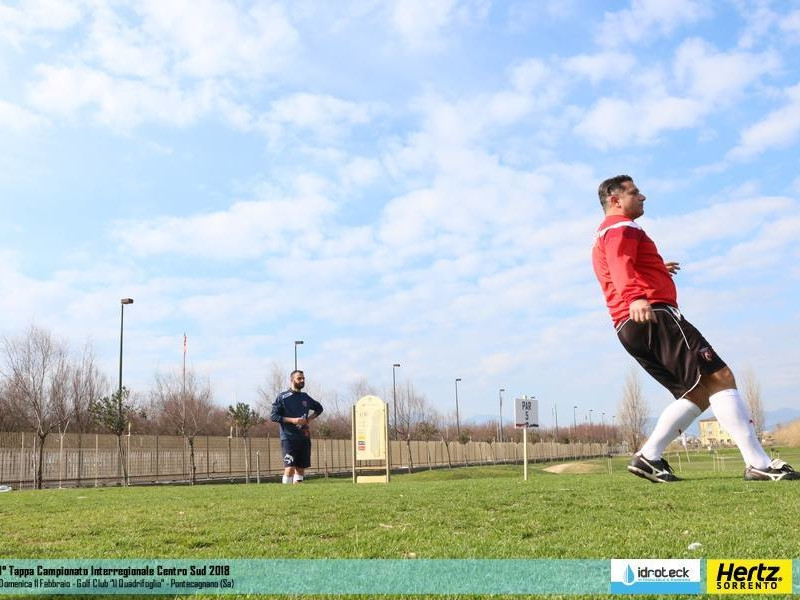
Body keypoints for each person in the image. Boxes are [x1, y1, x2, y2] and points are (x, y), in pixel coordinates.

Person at [592, 175, 798, 482]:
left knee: (698, 394)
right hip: (654, 316)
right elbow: (620, 262)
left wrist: (658, 269)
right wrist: (636, 296)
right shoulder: (621, 228)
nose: (643, 197)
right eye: (635, 193)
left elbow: (619, 266)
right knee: (720, 377)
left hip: (630, 326)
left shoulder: (603, 234)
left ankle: (649, 457)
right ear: (615, 200)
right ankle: (758, 463)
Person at [270, 370, 324, 484]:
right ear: (292, 380)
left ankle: (297, 494)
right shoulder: (283, 397)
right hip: (289, 438)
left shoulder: (305, 397)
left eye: (303, 378)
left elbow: (319, 408)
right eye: (299, 378)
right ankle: (285, 494)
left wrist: (309, 419)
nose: (302, 380)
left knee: (300, 468)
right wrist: (292, 420)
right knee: (289, 468)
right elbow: (273, 416)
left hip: (304, 437)